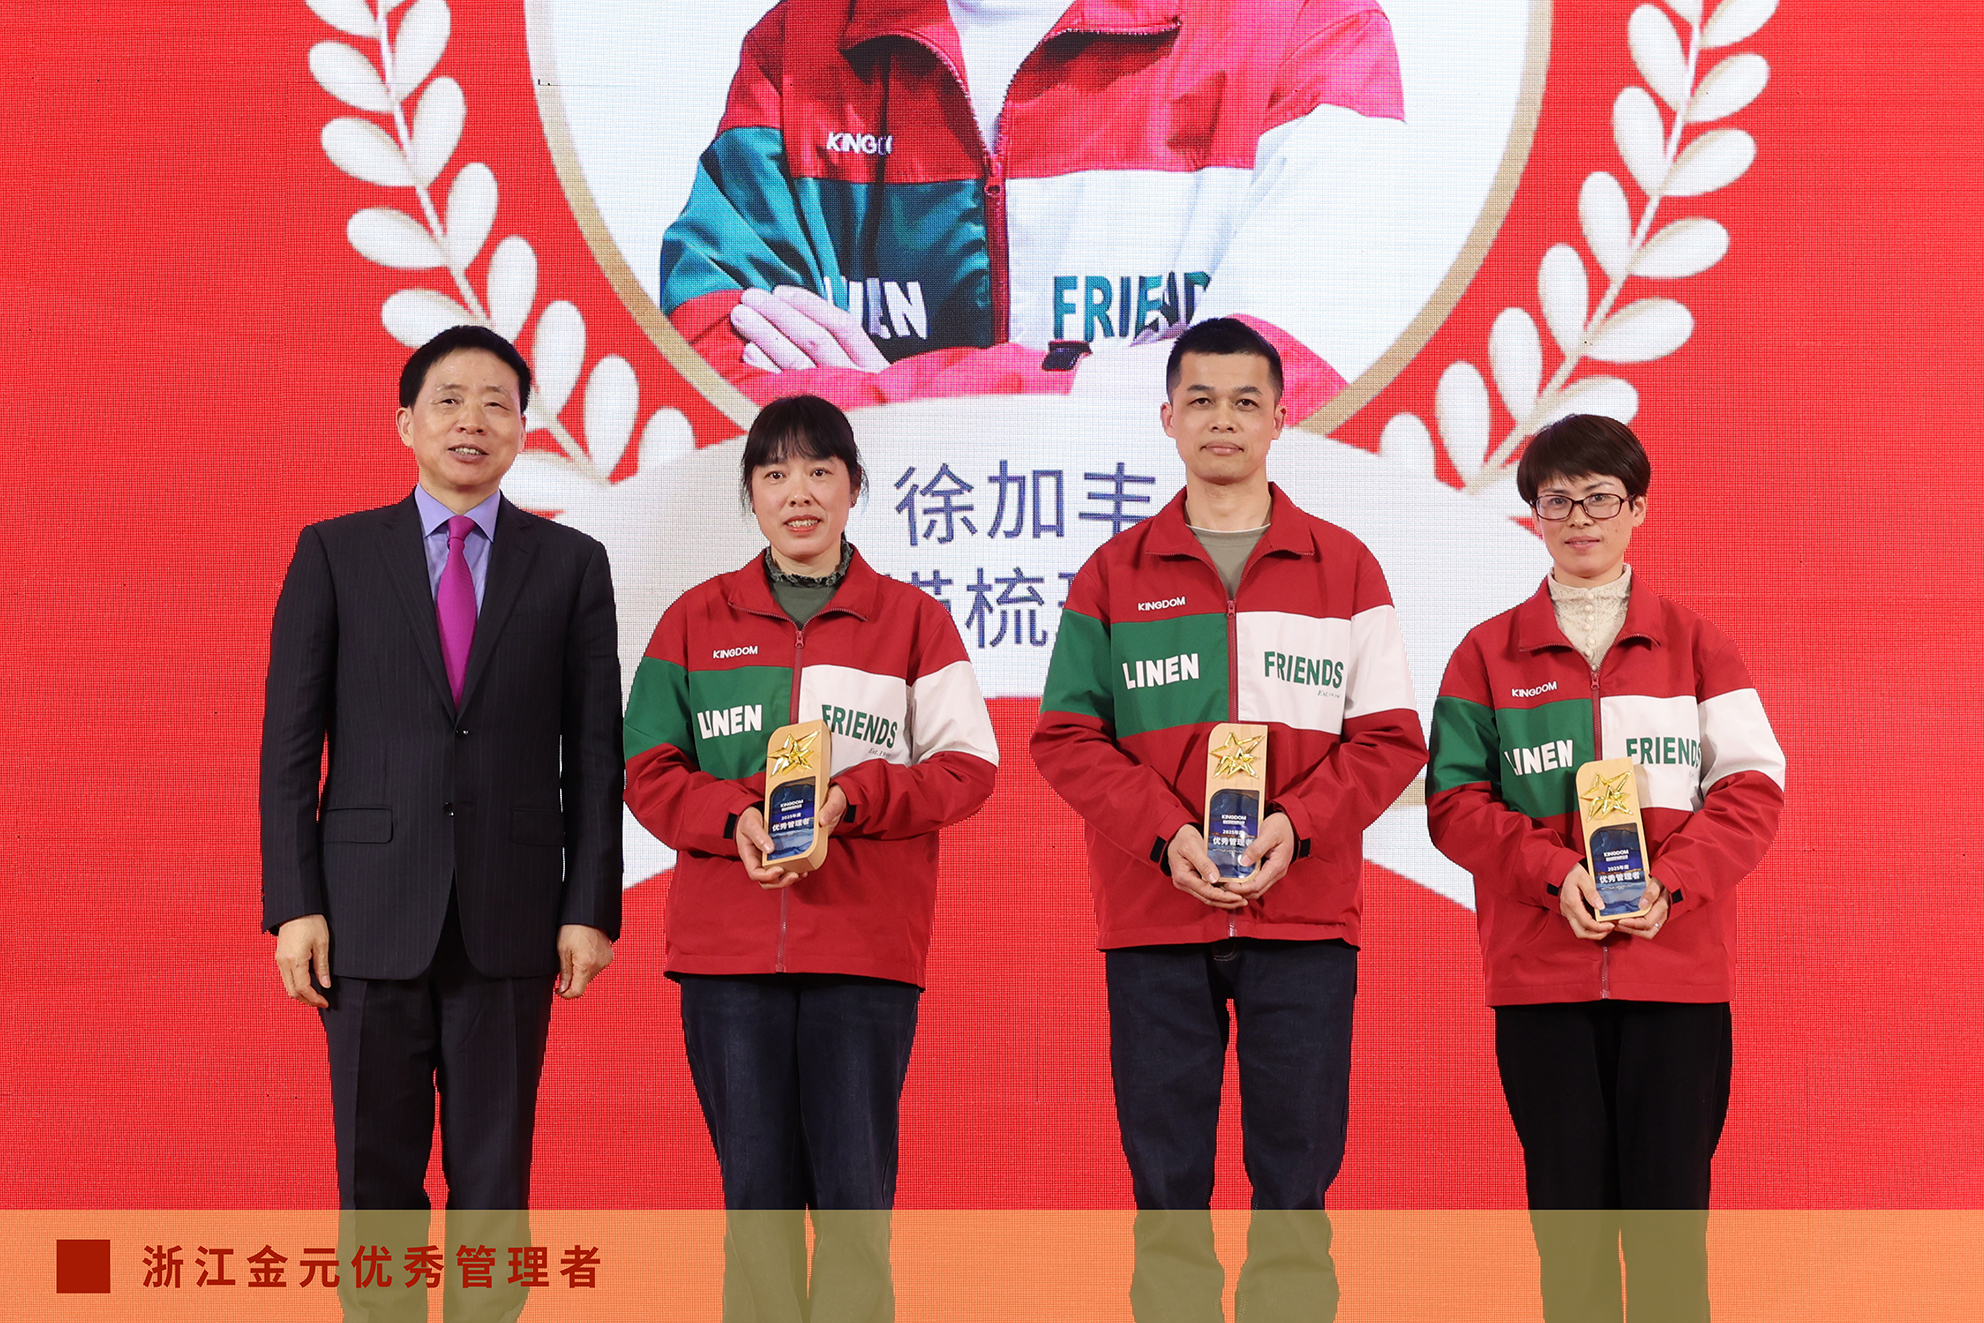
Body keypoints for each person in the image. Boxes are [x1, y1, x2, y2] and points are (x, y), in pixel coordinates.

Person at [1030, 317, 1426, 1319]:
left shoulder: (1345, 568)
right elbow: (1067, 737)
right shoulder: (1114, 574)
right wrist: (1166, 835)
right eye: (1200, 400)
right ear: (1166, 418)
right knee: (1165, 1188)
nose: (1222, 420)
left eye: (1245, 401)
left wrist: (1298, 825)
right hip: (1154, 919)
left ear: (1281, 418)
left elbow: (1389, 739)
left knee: (1295, 1188)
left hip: (1305, 921)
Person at [260, 325, 622, 1318]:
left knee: (495, 1186)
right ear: (406, 423)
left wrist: (589, 905)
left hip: (512, 915)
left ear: (523, 429)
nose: (473, 420)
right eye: (450, 399)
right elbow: (290, 744)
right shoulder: (335, 554)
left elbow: (595, 753)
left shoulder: (571, 565)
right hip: (366, 916)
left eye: (497, 403)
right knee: (374, 1179)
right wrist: (295, 904)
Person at [622, 393, 999, 1320]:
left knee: (855, 1202)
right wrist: (733, 819)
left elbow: (967, 765)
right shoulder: (694, 621)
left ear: (855, 487)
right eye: (776, 472)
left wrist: (853, 797)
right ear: (749, 492)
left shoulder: (912, 620)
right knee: (754, 1204)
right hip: (728, 959)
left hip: (863, 954)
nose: (800, 492)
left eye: (821, 471)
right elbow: (646, 767)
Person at [1424, 414, 1786, 1322]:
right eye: (1557, 501)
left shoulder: (1699, 646)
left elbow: (1751, 789)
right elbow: (1454, 803)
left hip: (1677, 979)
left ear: (1638, 509)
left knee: (1669, 1233)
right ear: (1532, 515)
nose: (1579, 518)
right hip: (1542, 981)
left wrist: (1672, 883)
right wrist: (1556, 877)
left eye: (1599, 498)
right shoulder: (1485, 654)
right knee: (1571, 1233)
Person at [659, 0, 1403, 415]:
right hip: (882, 627)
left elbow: (1292, 399)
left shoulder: (1312, 27)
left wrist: (875, 412)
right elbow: (702, 385)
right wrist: (1121, 384)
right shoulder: (795, 46)